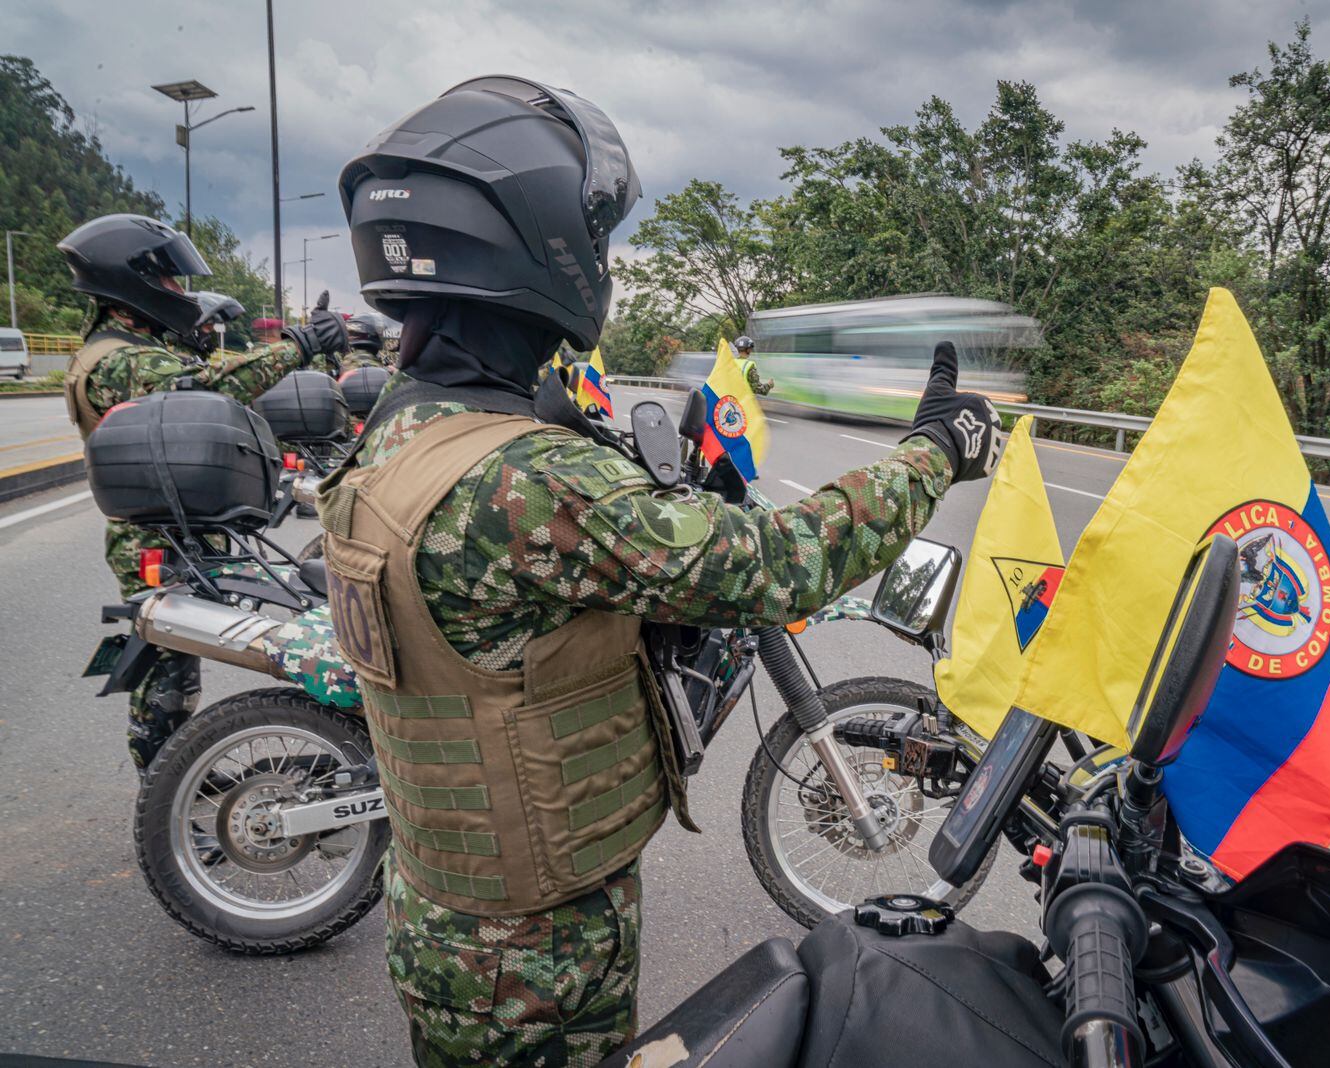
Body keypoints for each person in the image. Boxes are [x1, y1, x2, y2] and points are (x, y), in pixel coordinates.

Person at [319, 75, 1000, 1067]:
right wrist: (933, 453)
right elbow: (781, 562)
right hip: (536, 956)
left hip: (446, 913)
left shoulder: (396, 433)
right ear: (535, 246)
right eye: (593, 242)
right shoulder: (527, 476)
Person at [56, 213, 349, 772]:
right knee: (168, 674)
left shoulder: (130, 349)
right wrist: (300, 344)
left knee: (181, 659)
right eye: (167, 281)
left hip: (173, 526)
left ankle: (176, 780)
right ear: (129, 280)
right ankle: (165, 789)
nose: (177, 293)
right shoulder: (117, 359)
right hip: (156, 537)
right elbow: (210, 389)